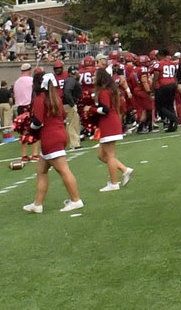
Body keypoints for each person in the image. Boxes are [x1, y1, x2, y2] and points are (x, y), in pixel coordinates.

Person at [22, 74, 87, 214]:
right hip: (60, 134)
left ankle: (76, 200)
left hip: (50, 137)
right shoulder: (56, 98)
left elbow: (38, 122)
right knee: (41, 171)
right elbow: (63, 116)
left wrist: (27, 129)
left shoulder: (40, 99)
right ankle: (37, 204)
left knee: (64, 170)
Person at [82, 71, 133, 192]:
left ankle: (114, 183)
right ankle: (124, 169)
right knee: (101, 155)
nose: (93, 78)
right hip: (111, 123)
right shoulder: (110, 90)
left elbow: (105, 110)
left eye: (95, 76)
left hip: (109, 123)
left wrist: (91, 109)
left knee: (109, 156)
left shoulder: (104, 92)